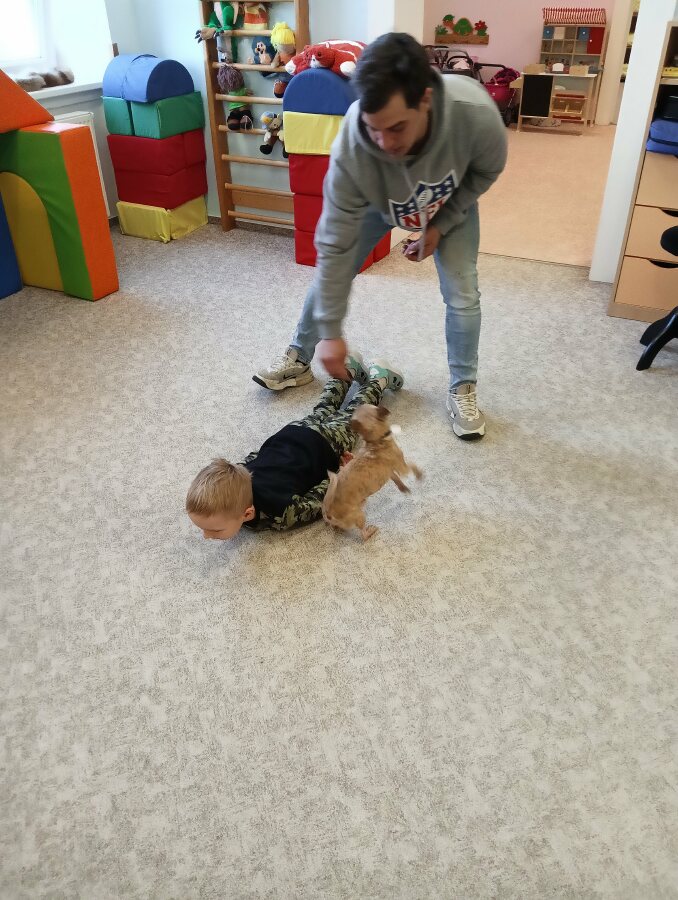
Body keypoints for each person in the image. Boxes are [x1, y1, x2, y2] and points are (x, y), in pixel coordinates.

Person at [253, 33, 508, 440]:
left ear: (425, 99)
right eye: (375, 129)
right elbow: (334, 242)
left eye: (397, 127)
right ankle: (299, 357)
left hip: (449, 201)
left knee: (463, 293)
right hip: (379, 204)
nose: (386, 144)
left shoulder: (474, 113)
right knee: (331, 273)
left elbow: (486, 171)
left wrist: (440, 225)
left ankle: (463, 387)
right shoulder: (354, 141)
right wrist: (332, 332)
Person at [186, 355, 403, 539]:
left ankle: (379, 378)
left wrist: (341, 473)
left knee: (354, 417)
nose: (206, 536)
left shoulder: (280, 512)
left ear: (247, 513)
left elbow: (320, 499)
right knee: (324, 407)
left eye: (215, 530)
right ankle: (346, 368)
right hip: (295, 432)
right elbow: (255, 456)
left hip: (325, 446)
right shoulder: (238, 473)